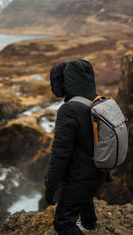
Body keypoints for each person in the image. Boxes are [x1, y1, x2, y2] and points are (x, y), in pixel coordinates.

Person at [44, 59, 108, 235]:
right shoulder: (96, 103)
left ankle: (86, 227)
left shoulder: (69, 110)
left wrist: (51, 186)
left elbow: (60, 154)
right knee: (85, 198)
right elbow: (98, 142)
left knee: (63, 225)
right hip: (98, 174)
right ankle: (89, 226)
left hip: (79, 178)